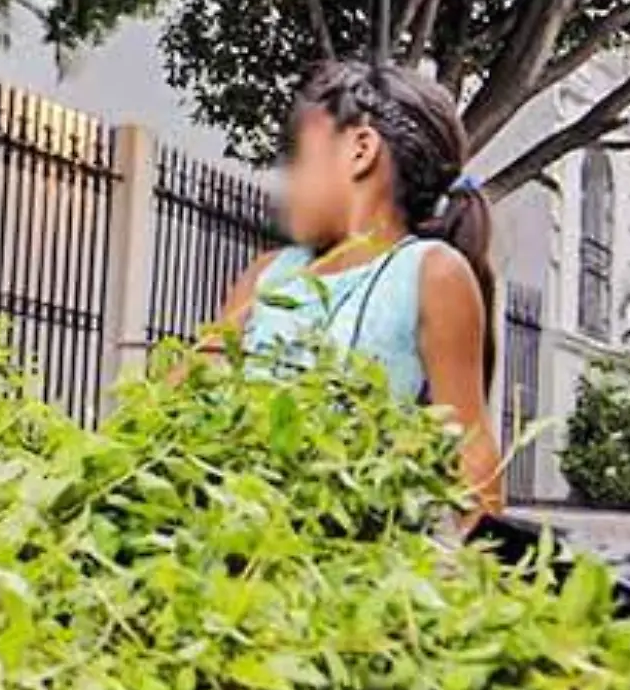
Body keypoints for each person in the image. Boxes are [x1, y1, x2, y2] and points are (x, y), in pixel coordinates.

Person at [214, 60, 505, 512]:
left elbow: (471, 449)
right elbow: (189, 389)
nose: (285, 181)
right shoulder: (268, 274)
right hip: (238, 536)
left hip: (352, 553)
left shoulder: (430, 272)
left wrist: (480, 573)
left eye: (299, 159)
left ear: (359, 150)